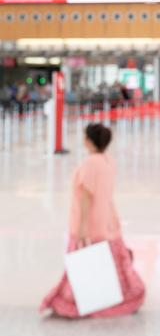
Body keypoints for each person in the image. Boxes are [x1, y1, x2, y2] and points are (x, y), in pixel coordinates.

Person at [40, 123, 145, 318]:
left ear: (89, 141)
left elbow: (86, 198)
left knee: (83, 263)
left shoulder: (90, 163)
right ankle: (121, 296)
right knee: (112, 263)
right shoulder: (108, 161)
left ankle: (76, 301)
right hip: (108, 220)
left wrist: (82, 230)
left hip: (92, 222)